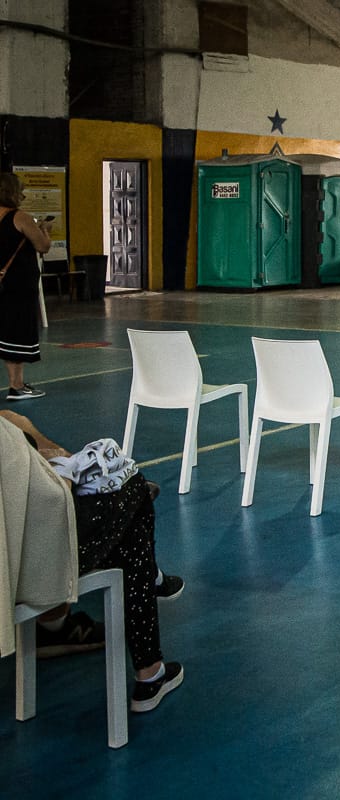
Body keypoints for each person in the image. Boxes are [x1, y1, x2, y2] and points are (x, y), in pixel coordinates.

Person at [0, 411, 184, 712]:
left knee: (124, 503)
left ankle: (55, 626)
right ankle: (149, 667)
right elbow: (48, 502)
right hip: (23, 566)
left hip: (14, 560)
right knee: (132, 491)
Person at [0, 172, 52, 401]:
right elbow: (43, 247)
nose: (23, 194)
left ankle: (17, 384)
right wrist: (45, 230)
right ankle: (17, 385)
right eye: (19, 189)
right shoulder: (20, 217)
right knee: (17, 331)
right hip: (18, 284)